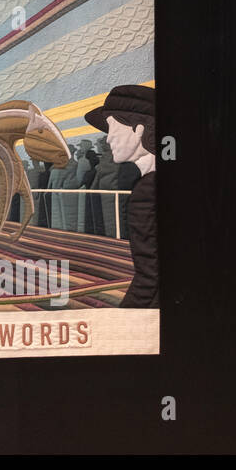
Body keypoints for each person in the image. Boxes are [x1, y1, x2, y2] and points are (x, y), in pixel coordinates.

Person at [85, 85, 157, 307]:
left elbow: (149, 279)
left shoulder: (147, 192)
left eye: (112, 129)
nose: (108, 139)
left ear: (139, 130)